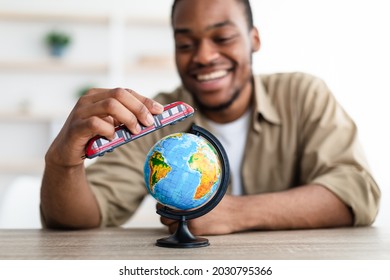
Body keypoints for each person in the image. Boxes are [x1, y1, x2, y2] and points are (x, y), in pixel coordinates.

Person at [40, 0, 380, 235]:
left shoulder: (303, 95)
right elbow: (81, 218)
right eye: (185, 44)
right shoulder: (153, 118)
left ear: (254, 39)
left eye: (223, 37)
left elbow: (357, 191)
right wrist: (61, 164)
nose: (203, 56)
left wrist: (235, 213)